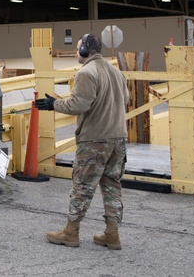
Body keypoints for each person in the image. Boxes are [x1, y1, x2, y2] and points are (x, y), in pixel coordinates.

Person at [34, 33, 128, 250]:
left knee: (83, 186)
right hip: (118, 139)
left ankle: (71, 232)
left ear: (85, 50)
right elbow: (125, 100)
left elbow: (79, 105)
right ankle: (112, 234)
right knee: (112, 186)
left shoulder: (86, 73)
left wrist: (53, 104)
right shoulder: (117, 73)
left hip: (95, 140)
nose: (76, 52)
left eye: (77, 49)